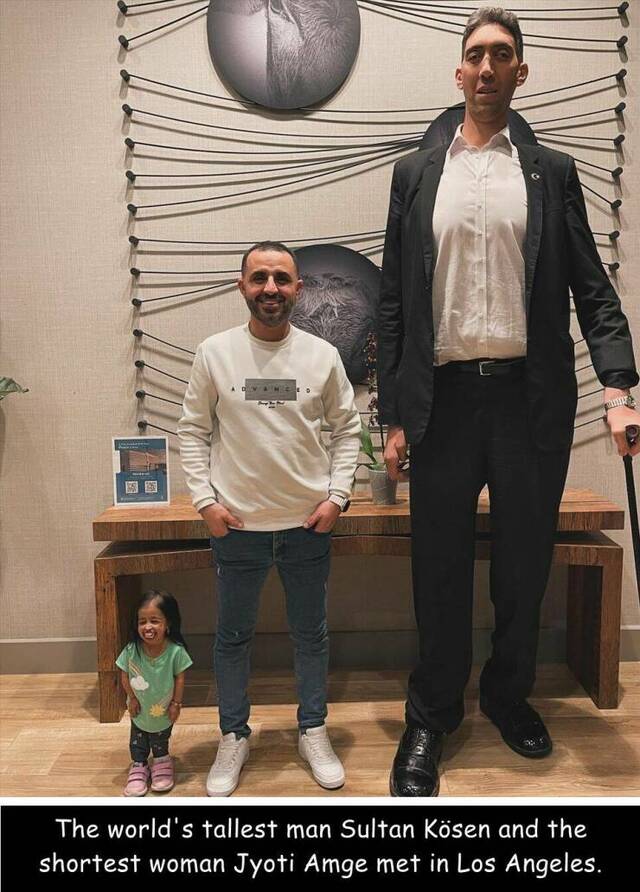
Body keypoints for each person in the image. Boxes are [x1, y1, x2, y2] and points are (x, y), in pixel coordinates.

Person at [377, 6, 640, 797]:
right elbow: (394, 302)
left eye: (501, 54)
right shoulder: (416, 174)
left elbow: (593, 290)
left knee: (524, 564)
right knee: (440, 568)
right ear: (459, 72)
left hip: (530, 398)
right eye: (475, 55)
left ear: (521, 71)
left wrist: (620, 388)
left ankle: (506, 694)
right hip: (444, 400)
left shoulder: (552, 173)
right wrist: (392, 413)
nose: (487, 67)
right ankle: (432, 715)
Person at [177, 240, 360, 796]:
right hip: (237, 529)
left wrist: (337, 497)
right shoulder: (214, 353)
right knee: (232, 638)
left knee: (311, 636)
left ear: (298, 288)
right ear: (242, 286)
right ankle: (233, 735)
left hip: (306, 526)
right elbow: (193, 431)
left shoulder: (322, 356)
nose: (270, 288)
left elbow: (347, 430)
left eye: (281, 278)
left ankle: (313, 729)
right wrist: (205, 502)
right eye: (259, 278)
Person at [116, 590, 192, 797]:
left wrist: (176, 704)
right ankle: (139, 764)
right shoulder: (131, 650)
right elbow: (124, 673)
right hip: (139, 709)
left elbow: (180, 678)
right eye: (142, 622)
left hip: (163, 710)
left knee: (160, 739)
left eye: (154, 621)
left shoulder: (176, 652)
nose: (147, 627)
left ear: (168, 624)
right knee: (137, 740)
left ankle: (161, 760)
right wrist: (131, 698)